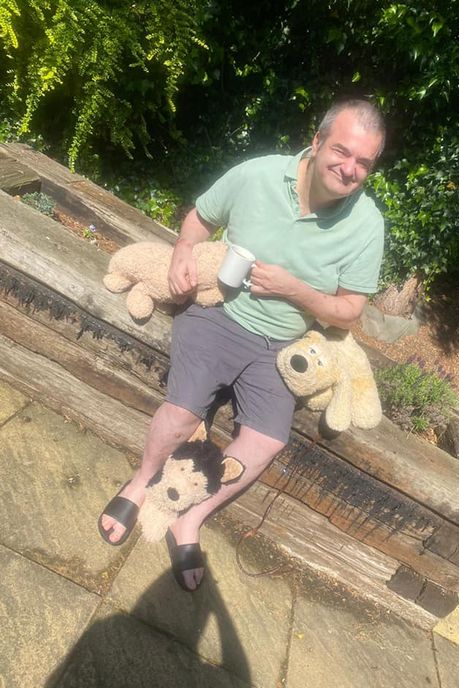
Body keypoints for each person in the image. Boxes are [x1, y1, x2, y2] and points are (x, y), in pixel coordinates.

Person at [98, 98, 386, 591]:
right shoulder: (259, 175)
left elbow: (350, 311)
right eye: (342, 151)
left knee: (267, 440)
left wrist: (295, 291)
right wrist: (183, 250)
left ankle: (190, 519)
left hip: (282, 344)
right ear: (317, 142)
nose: (349, 169)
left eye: (364, 162)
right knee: (184, 411)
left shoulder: (366, 225)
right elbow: (200, 217)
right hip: (217, 313)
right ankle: (142, 481)